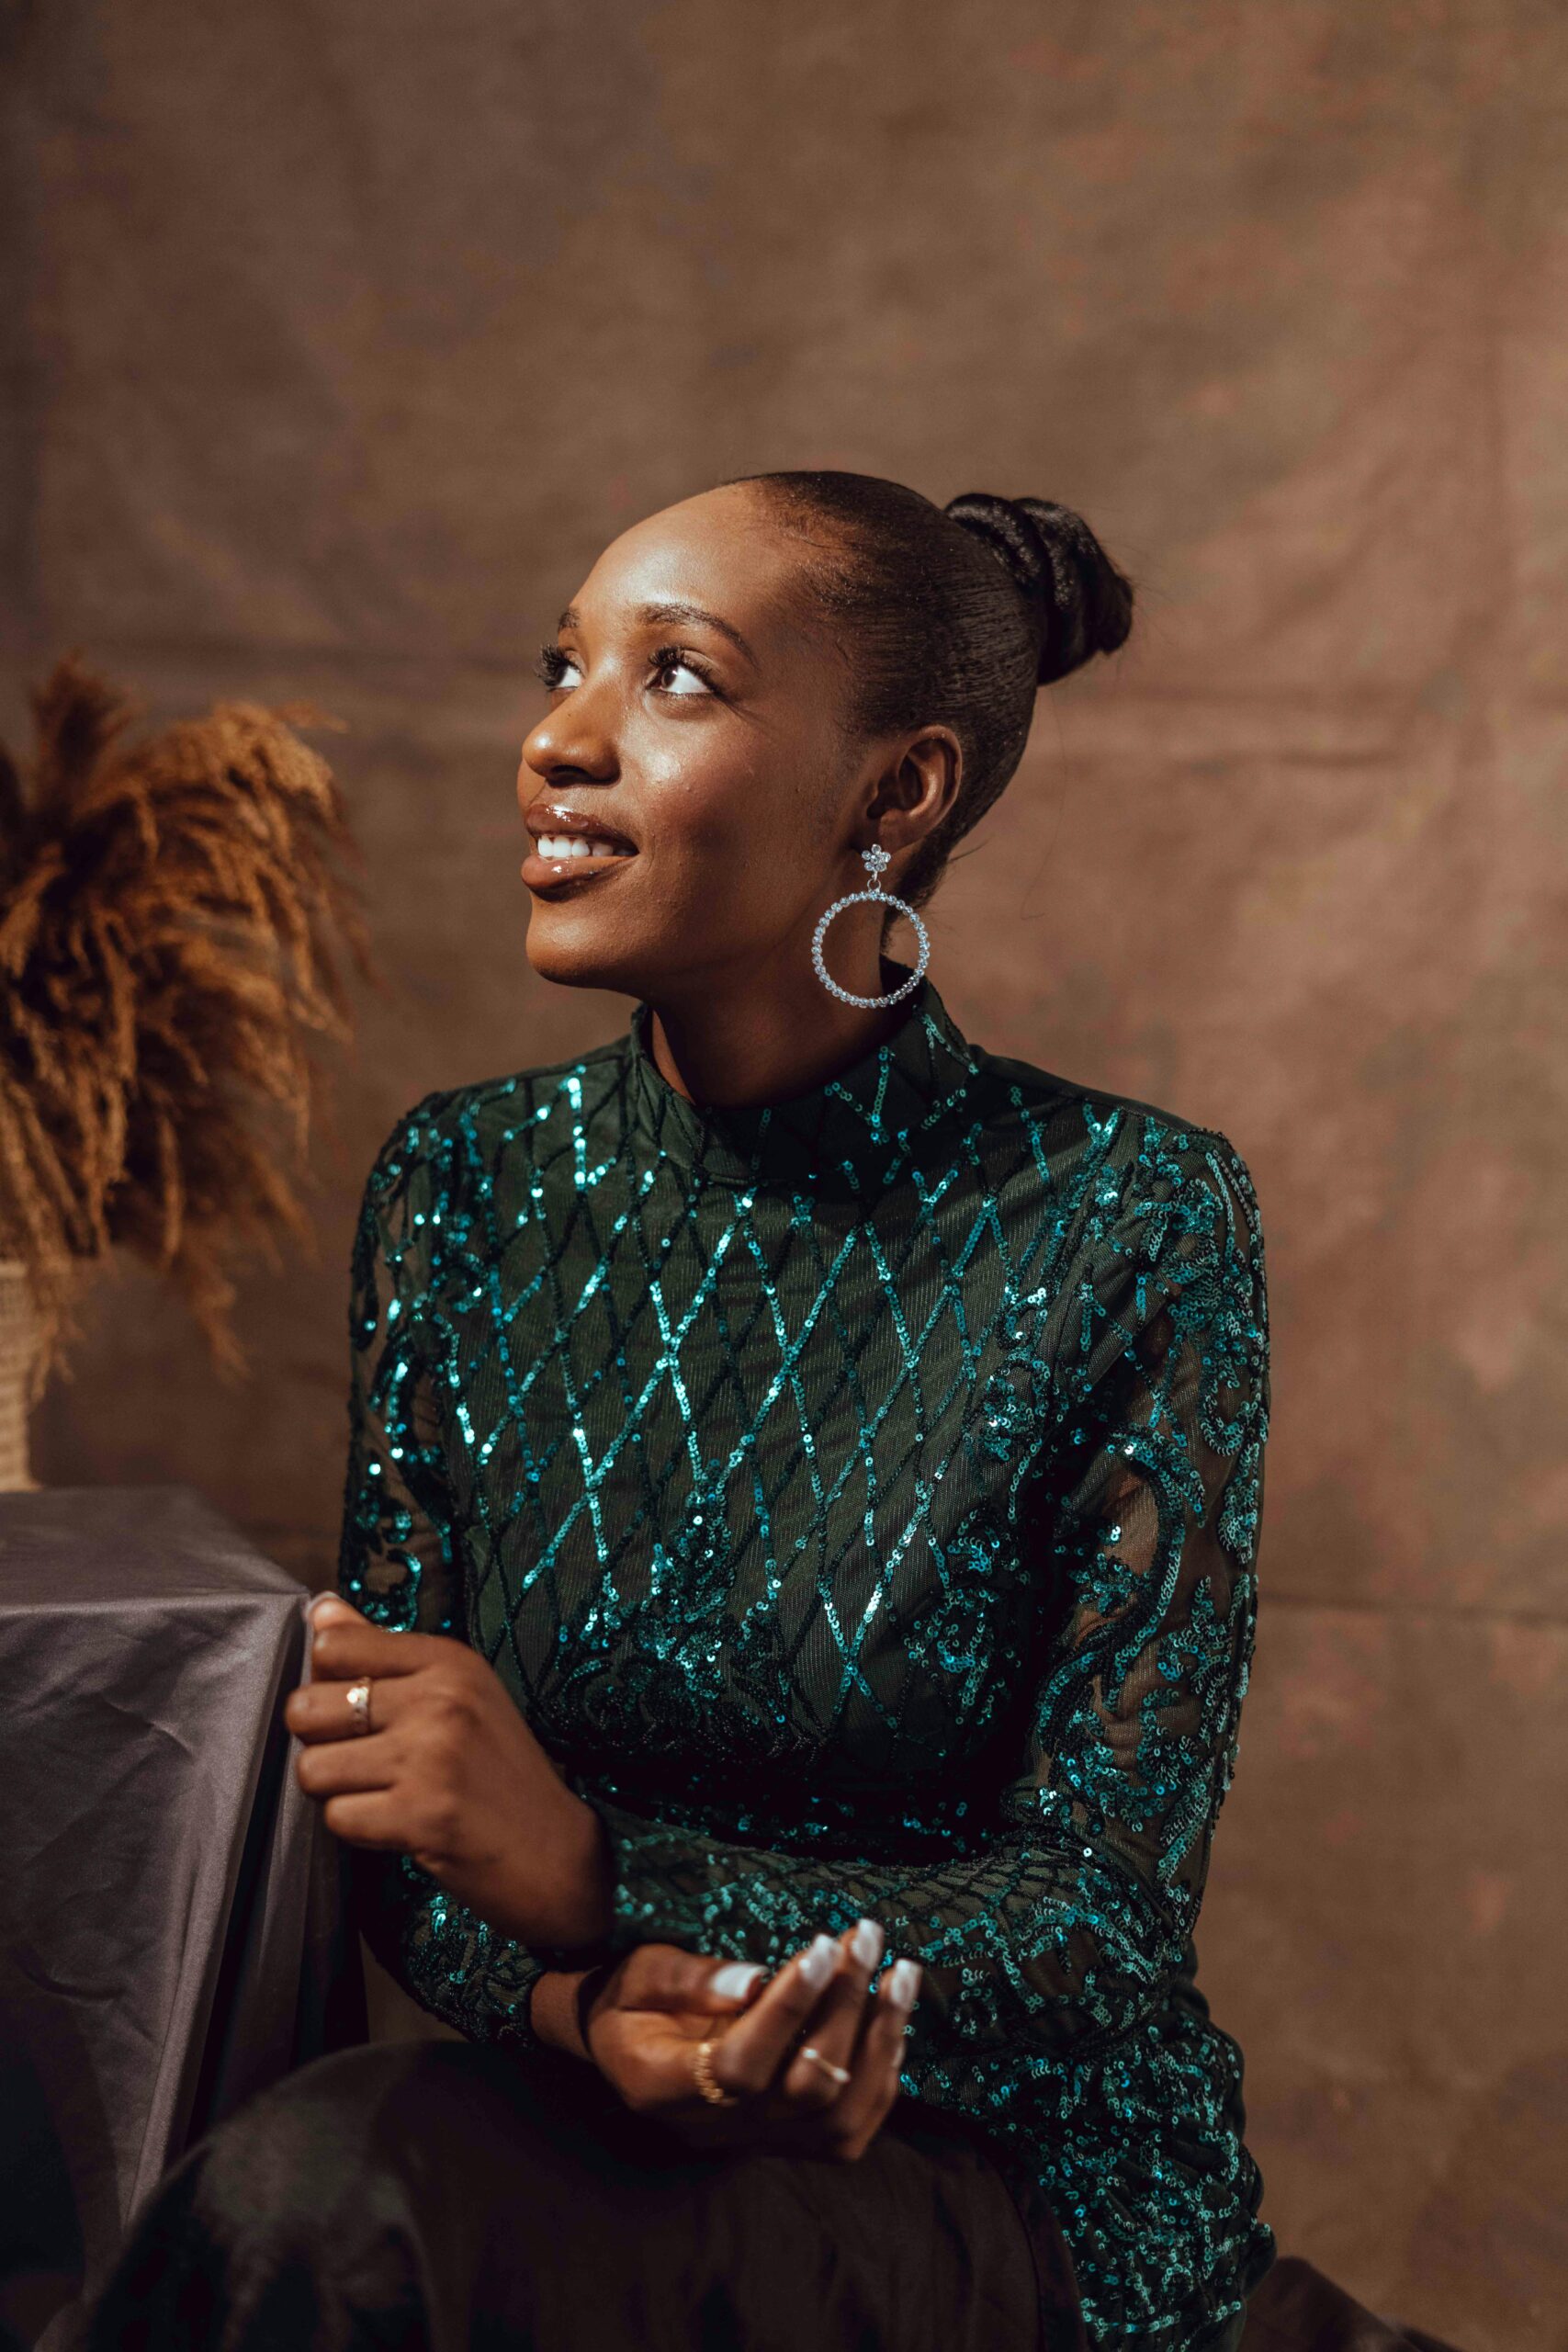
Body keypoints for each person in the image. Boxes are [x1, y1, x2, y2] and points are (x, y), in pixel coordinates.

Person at [86, 471, 1279, 2352]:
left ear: (898, 792)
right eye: (563, 666)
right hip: (597, 2102)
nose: (555, 739)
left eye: (675, 680)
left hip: (994, 2160)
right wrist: (596, 2002)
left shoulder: (1125, 1217)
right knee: (324, 2182)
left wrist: (603, 1876)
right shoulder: (466, 1186)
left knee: (342, 2197)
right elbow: (408, 1818)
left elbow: (1098, 1921)